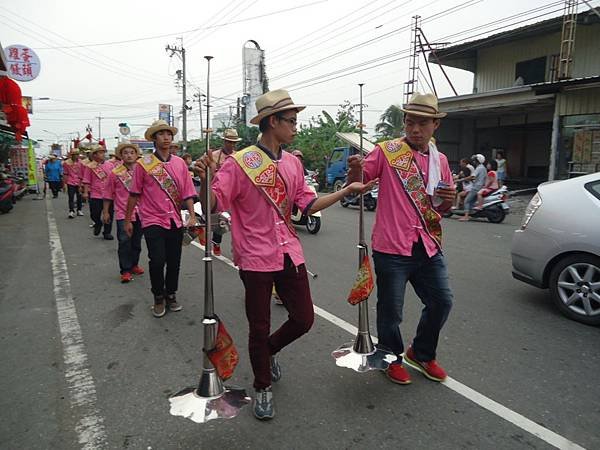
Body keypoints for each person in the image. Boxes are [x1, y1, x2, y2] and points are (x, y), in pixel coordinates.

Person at [195, 89, 374, 421]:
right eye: (291, 121)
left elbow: (307, 204)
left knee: (304, 318)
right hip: (255, 257)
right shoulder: (238, 163)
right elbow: (213, 204)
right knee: (258, 326)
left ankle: (269, 352)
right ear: (272, 121)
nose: (295, 127)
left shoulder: (293, 163)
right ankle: (262, 386)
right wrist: (205, 178)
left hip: (289, 252)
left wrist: (345, 191)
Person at [346, 92, 456, 385]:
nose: (415, 129)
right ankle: (390, 355)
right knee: (391, 310)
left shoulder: (440, 160)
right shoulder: (386, 151)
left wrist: (449, 199)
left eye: (422, 123)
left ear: (435, 125)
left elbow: (441, 208)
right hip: (392, 246)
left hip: (428, 246)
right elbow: (356, 186)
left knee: (442, 302)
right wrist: (356, 169)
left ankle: (420, 353)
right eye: (410, 122)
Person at [125, 120, 196, 318]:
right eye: (161, 134)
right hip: (152, 219)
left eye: (168, 134)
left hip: (174, 219)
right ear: (154, 138)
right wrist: (128, 219)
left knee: (174, 261)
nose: (166, 137)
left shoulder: (180, 163)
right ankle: (158, 296)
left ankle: (171, 294)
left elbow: (187, 192)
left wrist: (191, 215)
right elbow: (134, 193)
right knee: (157, 260)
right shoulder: (143, 164)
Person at [102, 142, 144, 283]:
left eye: (132, 152)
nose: (129, 155)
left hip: (141, 213)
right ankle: (125, 270)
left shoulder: (142, 171)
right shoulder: (115, 173)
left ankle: (134, 265)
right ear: (121, 155)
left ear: (136, 155)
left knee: (137, 241)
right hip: (123, 213)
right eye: (125, 153)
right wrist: (106, 212)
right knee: (124, 241)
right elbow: (108, 193)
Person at [201, 128, 242, 256]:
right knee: (220, 219)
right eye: (229, 142)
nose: (232, 145)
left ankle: (238, 246)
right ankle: (216, 242)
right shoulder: (213, 155)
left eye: (234, 142)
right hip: (217, 191)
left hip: (234, 193)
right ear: (224, 141)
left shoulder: (239, 156)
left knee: (237, 221)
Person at [82, 144, 114, 239]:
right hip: (96, 194)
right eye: (100, 152)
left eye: (103, 152)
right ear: (94, 155)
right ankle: (98, 223)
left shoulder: (110, 165)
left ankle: (107, 232)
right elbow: (86, 180)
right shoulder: (90, 166)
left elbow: (114, 179)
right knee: (94, 214)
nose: (103, 154)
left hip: (108, 194)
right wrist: (85, 192)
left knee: (109, 214)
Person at [459, 154, 487, 222]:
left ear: (477, 161)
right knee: (471, 201)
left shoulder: (479, 168)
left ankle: (466, 217)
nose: (473, 161)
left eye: (475, 160)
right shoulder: (483, 168)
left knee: (467, 200)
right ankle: (470, 214)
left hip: (476, 187)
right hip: (480, 186)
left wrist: (461, 180)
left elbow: (472, 176)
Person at [63, 148, 85, 218]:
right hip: (70, 182)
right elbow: (65, 173)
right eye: (74, 155)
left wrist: (82, 183)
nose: (76, 156)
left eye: (77, 154)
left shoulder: (81, 163)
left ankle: (79, 210)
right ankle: (71, 211)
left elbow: (83, 173)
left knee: (79, 197)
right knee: (71, 197)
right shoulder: (66, 163)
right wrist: (64, 184)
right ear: (71, 155)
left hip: (79, 182)